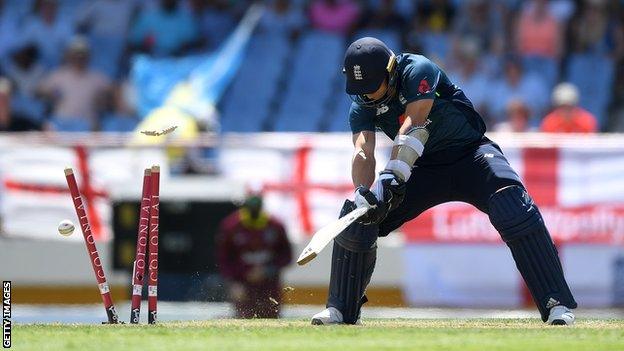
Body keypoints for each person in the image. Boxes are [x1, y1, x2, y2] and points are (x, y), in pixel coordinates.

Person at [311, 37, 577, 326]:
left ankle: (556, 305)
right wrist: (363, 193)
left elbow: (415, 124)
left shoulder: (418, 69)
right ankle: (340, 310)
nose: (367, 96)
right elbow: (363, 151)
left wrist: (393, 176)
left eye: (372, 86)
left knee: (512, 205)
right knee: (359, 217)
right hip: (422, 168)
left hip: (470, 154)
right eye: (360, 90)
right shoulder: (363, 101)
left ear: (389, 71)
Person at [216, 193, 292, 318]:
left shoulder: (275, 226)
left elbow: (286, 256)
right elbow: (224, 258)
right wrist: (234, 283)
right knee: (244, 317)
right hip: (243, 284)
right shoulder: (230, 226)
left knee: (271, 315)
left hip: (269, 284)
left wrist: (267, 271)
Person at [37, 37, 112, 131]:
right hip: (61, 123)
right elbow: (39, 91)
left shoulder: (98, 77)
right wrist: (51, 94)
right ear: (69, 56)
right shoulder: (58, 75)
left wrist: (104, 99)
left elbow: (114, 93)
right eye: (76, 54)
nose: (79, 58)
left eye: (82, 54)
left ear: (88, 56)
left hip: (87, 124)